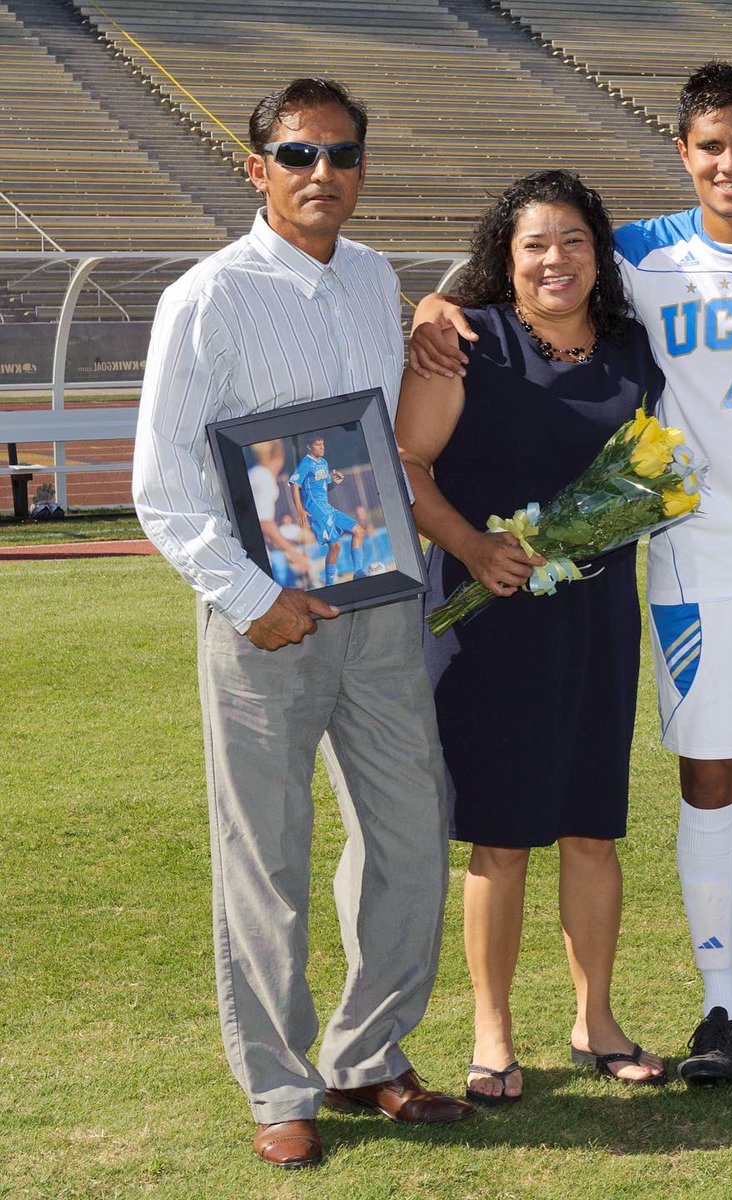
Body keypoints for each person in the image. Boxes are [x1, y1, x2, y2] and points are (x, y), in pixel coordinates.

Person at [409, 63, 732, 1088]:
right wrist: (437, 302)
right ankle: (722, 1010)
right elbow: (518, 271)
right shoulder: (640, 253)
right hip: (692, 571)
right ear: (683, 154)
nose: (729, 163)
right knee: (704, 785)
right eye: (710, 146)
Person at [132, 77, 471, 1170]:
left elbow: (383, 438)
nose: (321, 173)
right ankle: (281, 1085)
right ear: (257, 167)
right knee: (266, 860)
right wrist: (249, 597)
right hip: (261, 624)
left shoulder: (375, 280)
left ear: (363, 164)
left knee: (411, 836)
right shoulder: (207, 299)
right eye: (297, 155)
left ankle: (370, 1053)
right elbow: (163, 484)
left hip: (377, 610)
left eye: (341, 154)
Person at [395, 170, 667, 1104]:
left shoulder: (632, 349)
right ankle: (491, 1034)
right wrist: (473, 547)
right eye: (535, 245)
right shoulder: (466, 342)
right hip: (489, 619)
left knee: (593, 828)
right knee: (502, 838)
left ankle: (596, 1019)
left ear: (601, 253)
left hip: (595, 616)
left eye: (575, 241)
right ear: (504, 260)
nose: (557, 260)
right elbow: (409, 462)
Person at [289, 434, 368, 583]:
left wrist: (335, 482)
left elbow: (325, 487)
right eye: (318, 445)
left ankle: (358, 572)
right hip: (317, 512)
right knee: (336, 545)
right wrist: (299, 510)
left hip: (328, 508)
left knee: (358, 531)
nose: (322, 447)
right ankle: (330, 583)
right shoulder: (306, 463)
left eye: (323, 444)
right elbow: (294, 485)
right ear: (309, 447)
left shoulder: (324, 462)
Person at [248, 438, 312, 586]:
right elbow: (265, 523)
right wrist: (292, 551)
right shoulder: (265, 479)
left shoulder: (254, 474)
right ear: (281, 455)